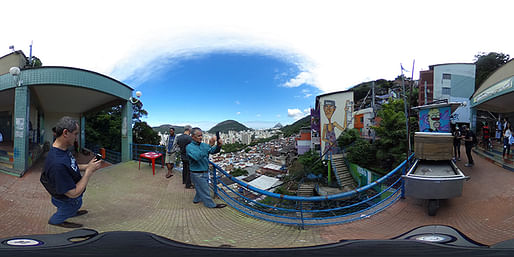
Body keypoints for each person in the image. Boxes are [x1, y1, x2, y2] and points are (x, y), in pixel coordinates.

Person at [40, 116, 102, 228]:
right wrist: (89, 171)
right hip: (67, 200)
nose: (77, 138)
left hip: (64, 196)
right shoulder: (57, 164)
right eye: (76, 134)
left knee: (73, 206)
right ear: (65, 133)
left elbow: (71, 166)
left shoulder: (62, 150)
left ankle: (72, 211)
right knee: (68, 208)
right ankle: (57, 220)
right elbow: (73, 193)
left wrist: (87, 166)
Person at [186, 127, 226, 208]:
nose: (201, 137)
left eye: (201, 135)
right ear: (193, 137)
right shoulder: (189, 147)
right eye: (198, 136)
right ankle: (211, 205)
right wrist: (210, 145)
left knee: (200, 188)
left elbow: (212, 151)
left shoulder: (204, 145)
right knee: (205, 190)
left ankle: (196, 199)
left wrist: (218, 146)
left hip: (204, 171)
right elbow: (197, 157)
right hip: (197, 173)